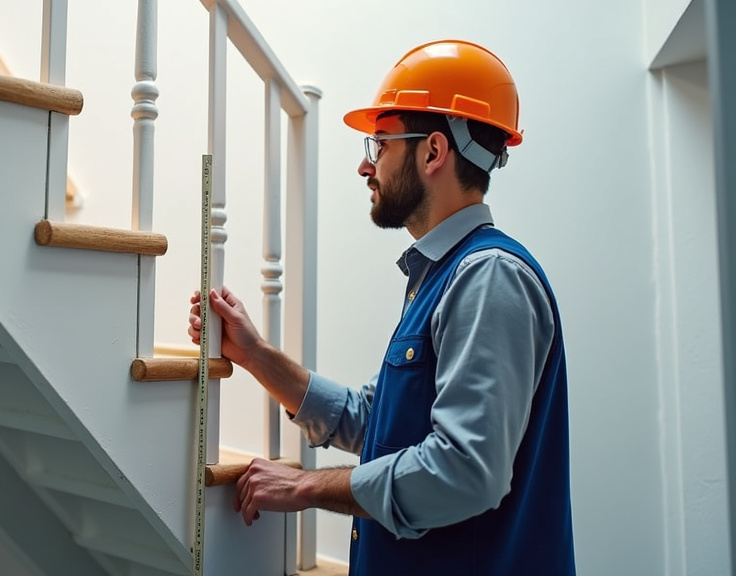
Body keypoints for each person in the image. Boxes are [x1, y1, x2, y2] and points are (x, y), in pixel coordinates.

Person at [187, 40, 575, 575]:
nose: (365, 167)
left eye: (380, 144)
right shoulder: (442, 275)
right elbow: (378, 422)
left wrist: (304, 486)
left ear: (433, 152)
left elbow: (464, 471)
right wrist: (255, 355)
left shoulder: (488, 278)